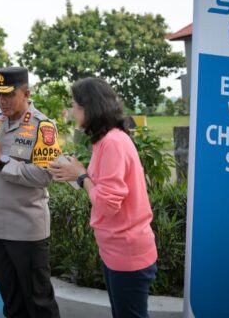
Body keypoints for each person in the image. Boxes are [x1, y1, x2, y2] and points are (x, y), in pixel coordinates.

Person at [48, 77, 158, 318]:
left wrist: (81, 176)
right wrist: (78, 173)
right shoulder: (106, 141)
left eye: (74, 105)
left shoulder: (112, 143)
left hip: (126, 252)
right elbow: (103, 188)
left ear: (89, 107)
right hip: (116, 250)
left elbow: (108, 204)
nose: (71, 111)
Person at [0, 67, 61, 318]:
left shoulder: (43, 126)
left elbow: (44, 176)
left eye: (9, 95)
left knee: (39, 303)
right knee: (11, 302)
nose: (2, 101)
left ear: (26, 93)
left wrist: (0, 160)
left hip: (26, 231)